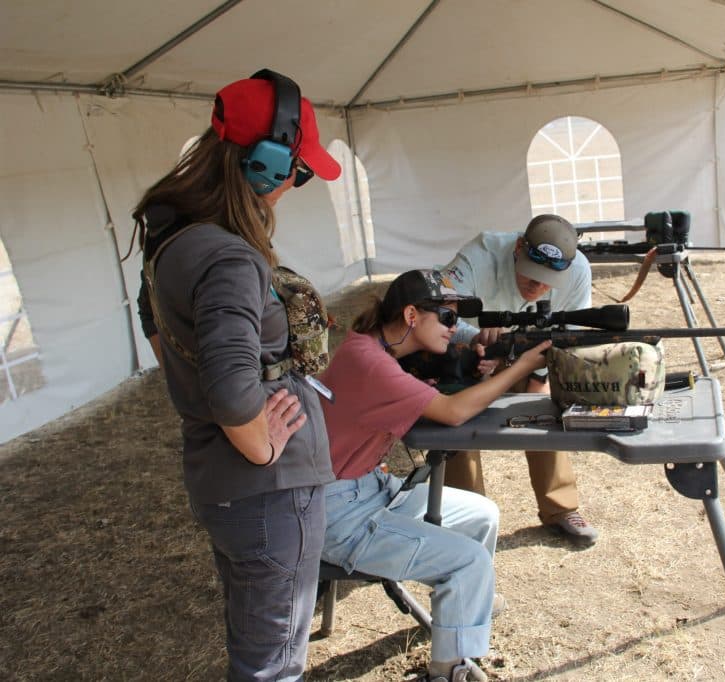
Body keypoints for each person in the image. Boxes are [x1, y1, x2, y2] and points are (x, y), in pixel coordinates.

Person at [132, 70, 340, 680]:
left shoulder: (175, 236)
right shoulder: (227, 255)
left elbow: (160, 335)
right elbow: (228, 388)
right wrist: (263, 441)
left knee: (255, 650)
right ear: (266, 165)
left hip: (223, 485)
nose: (292, 187)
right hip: (266, 493)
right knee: (274, 666)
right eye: (297, 171)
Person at [317, 269, 550, 682]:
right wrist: (523, 367)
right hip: (339, 513)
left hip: (369, 488)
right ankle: (449, 670)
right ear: (411, 315)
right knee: (467, 562)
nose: (454, 329)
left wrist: (472, 361)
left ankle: (464, 610)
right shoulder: (369, 362)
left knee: (483, 515)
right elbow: (454, 411)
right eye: (446, 318)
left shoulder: (373, 347)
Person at [438, 214, 598, 543]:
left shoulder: (579, 269)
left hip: (535, 351)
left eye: (546, 280)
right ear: (517, 249)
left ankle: (561, 507)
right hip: (473, 351)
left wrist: (539, 372)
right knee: (455, 418)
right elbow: (437, 311)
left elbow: (572, 339)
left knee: (548, 412)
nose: (537, 287)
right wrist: (474, 341)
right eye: (531, 274)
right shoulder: (478, 255)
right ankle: (467, 518)